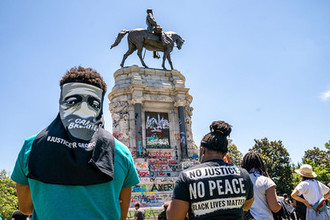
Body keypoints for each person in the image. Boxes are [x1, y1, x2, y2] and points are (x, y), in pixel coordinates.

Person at [11, 66, 140, 219]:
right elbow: (121, 216)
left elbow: (25, 208)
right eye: (75, 101)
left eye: (90, 103)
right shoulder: (121, 153)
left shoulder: (31, 147)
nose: (84, 109)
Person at [167, 120, 254, 220]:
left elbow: (174, 217)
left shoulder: (187, 176)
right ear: (225, 153)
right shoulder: (243, 174)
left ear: (203, 150)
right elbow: (247, 205)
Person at [241, 152, 282, 219]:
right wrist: (281, 203)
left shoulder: (240, 181)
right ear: (260, 164)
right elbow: (275, 208)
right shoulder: (266, 181)